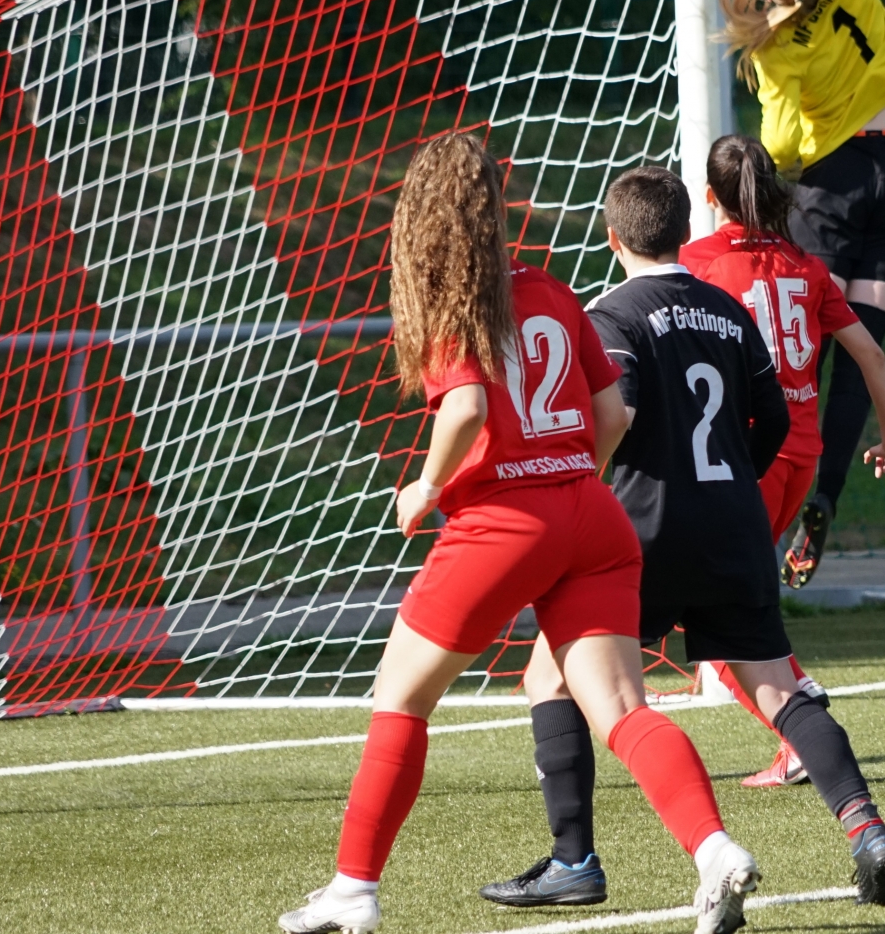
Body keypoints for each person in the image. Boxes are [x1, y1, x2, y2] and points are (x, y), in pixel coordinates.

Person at [278, 134, 759, 934]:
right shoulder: (552, 289)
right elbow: (612, 414)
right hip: (589, 510)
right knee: (622, 711)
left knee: (400, 698)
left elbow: (465, 408)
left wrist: (426, 487)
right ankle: (713, 852)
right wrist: (575, 485)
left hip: (504, 519)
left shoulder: (451, 300)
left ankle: (353, 892)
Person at [480, 167, 885, 910]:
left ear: (613, 238)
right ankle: (867, 828)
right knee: (778, 687)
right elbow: (773, 420)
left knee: (552, 678)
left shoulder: (609, 314)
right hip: (734, 523)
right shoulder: (726, 308)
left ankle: (573, 859)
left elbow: (615, 410)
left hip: (643, 529)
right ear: (686, 232)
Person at [629, 0, 885, 587]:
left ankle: (755, 485)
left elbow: (783, 148)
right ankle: (829, 491)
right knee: (864, 341)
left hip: (833, 183)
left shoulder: (777, 52)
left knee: (797, 339)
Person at [681, 133, 885, 786]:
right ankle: (797, 737)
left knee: (713, 622)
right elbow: (870, 353)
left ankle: (802, 721)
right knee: (740, 603)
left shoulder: (697, 263)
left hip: (737, 461)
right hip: (799, 458)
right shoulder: (806, 267)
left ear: (709, 199)